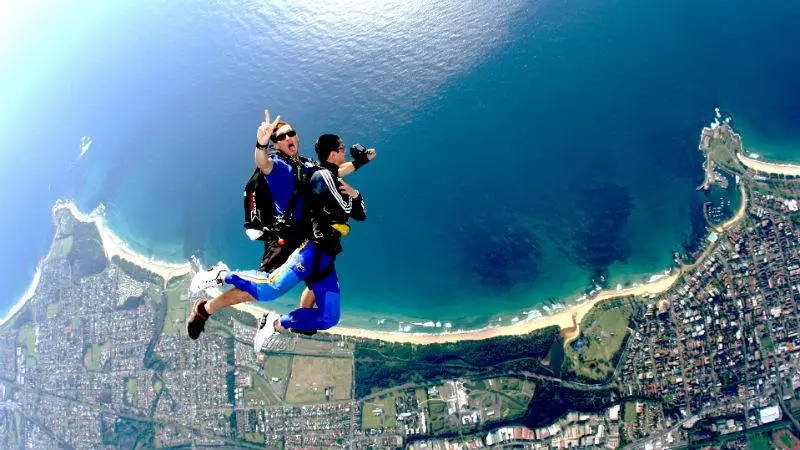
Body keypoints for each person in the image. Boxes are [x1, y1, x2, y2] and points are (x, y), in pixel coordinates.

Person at [186, 133, 368, 352]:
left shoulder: (307, 165)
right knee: (265, 289)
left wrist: (360, 164)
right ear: (276, 143)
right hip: (291, 241)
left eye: (292, 133)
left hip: (319, 247)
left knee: (326, 314)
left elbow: (336, 175)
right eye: (282, 135)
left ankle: (277, 323)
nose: (290, 137)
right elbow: (264, 163)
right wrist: (261, 143)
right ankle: (220, 278)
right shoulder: (279, 166)